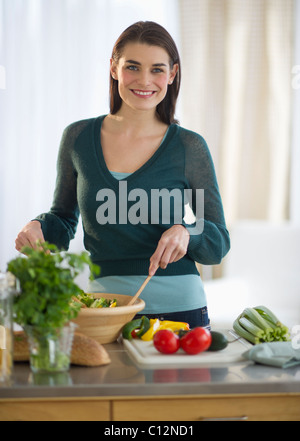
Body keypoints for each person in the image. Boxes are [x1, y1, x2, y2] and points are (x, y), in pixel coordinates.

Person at [15, 21, 230, 328]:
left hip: (181, 312)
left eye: (157, 69)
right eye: (133, 66)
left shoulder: (187, 147)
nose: (145, 80)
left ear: (172, 74)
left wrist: (187, 229)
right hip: (105, 312)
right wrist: (37, 228)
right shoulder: (78, 138)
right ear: (114, 68)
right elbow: (62, 221)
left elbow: (217, 242)